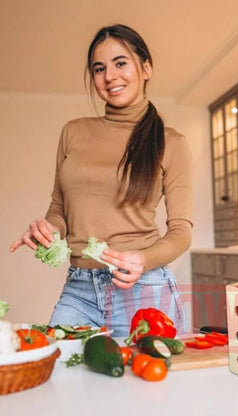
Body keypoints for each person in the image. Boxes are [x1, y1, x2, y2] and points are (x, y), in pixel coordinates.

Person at [9, 24, 193, 337]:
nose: (109, 76)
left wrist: (143, 259)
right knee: (60, 372)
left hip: (142, 288)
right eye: (99, 68)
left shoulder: (170, 142)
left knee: (146, 384)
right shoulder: (73, 132)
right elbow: (59, 206)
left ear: (145, 67)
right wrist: (50, 230)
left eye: (120, 63)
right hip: (79, 288)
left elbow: (181, 231)